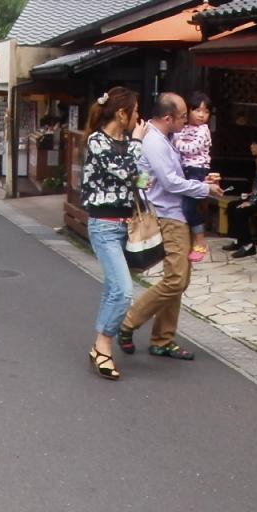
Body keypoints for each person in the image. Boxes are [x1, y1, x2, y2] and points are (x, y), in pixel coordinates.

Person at [117, 92, 220, 361]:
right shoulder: (155, 141)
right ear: (167, 117)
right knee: (175, 279)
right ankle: (128, 322)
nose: (187, 121)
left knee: (179, 280)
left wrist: (202, 181)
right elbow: (171, 182)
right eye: (183, 116)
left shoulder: (165, 139)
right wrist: (204, 189)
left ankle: (162, 339)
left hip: (175, 214)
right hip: (168, 215)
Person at [81, 86, 148, 381]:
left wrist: (142, 179)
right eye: (135, 112)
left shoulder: (126, 142)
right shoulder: (97, 141)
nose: (138, 117)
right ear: (122, 114)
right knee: (123, 291)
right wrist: (138, 143)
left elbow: (136, 178)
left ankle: (100, 346)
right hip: (104, 225)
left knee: (113, 289)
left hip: (126, 224)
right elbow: (122, 171)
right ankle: (103, 345)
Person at [172, 91, 215, 263]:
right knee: (182, 207)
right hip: (184, 170)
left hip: (197, 170)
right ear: (188, 111)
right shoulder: (183, 127)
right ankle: (188, 240)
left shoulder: (204, 130)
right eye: (197, 110)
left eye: (206, 112)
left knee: (189, 208)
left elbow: (192, 149)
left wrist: (175, 143)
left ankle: (200, 240)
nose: (202, 115)